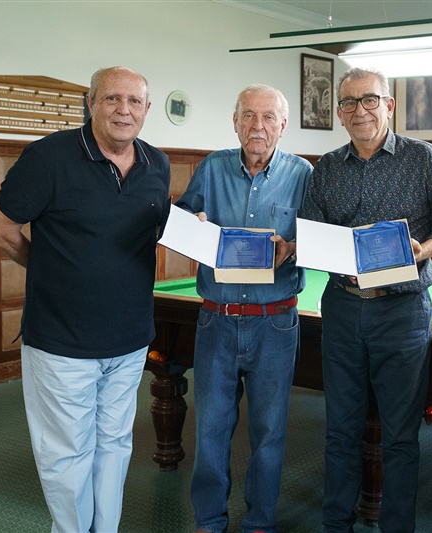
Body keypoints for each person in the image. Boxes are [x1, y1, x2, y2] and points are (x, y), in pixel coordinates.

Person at [0, 66, 170, 532]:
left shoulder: (157, 163)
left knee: (115, 445)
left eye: (134, 101)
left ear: (147, 109)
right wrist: (47, 266)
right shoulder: (48, 158)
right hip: (62, 342)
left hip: (130, 339)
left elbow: (153, 231)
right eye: (112, 99)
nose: (123, 110)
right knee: (67, 455)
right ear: (91, 103)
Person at [302, 67, 432, 533]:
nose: (361, 110)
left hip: (403, 311)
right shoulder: (326, 167)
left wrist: (424, 249)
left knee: (400, 437)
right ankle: (336, 526)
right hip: (342, 307)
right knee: (340, 431)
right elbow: (312, 234)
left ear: (389, 106)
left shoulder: (422, 158)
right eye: (349, 102)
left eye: (370, 100)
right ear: (339, 113)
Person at [174, 84, 312, 533]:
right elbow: (180, 221)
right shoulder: (212, 168)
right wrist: (190, 225)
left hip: (276, 324)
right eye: (248, 115)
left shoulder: (303, 174)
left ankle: (259, 523)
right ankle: (209, 521)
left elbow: (321, 237)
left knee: (269, 433)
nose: (258, 126)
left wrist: (292, 247)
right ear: (235, 122)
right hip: (217, 319)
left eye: (269, 117)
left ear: (283, 125)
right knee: (211, 429)